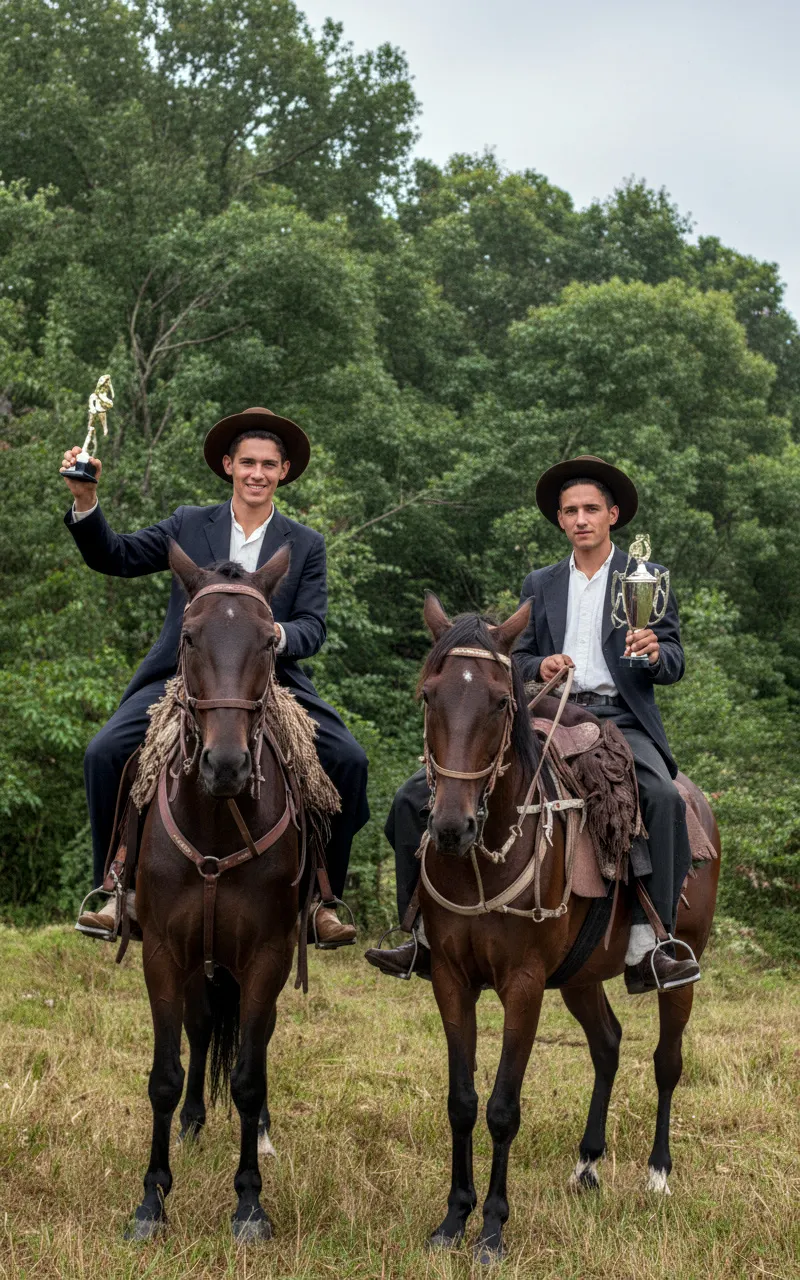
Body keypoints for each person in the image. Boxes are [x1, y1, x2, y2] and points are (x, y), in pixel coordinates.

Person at [367, 454, 699, 994]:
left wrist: (656, 652)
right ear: (561, 520)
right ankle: (418, 934)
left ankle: (651, 944)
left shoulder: (647, 577)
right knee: (410, 798)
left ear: (612, 515)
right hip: (545, 711)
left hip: (619, 717)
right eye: (570, 511)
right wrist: (539, 665)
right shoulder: (540, 582)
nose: (581, 519)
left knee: (661, 798)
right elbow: (514, 659)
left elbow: (676, 660)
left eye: (591, 509)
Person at [62, 405, 368, 946]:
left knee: (349, 760)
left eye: (268, 465)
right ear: (229, 465)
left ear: (284, 471)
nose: (257, 474)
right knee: (104, 753)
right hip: (185, 678)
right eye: (247, 462)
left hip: (270, 681)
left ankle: (320, 900)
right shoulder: (187, 524)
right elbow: (117, 556)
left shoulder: (305, 543)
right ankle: (116, 888)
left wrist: (275, 635)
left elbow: (313, 627)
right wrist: (85, 501)